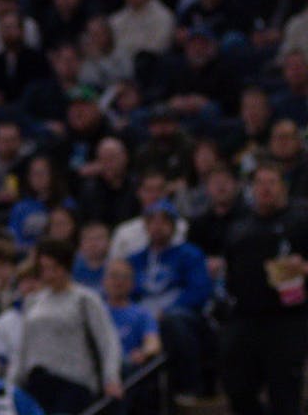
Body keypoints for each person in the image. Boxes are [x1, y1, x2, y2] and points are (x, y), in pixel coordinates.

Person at [221, 163, 308, 415]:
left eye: (271, 182)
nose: (265, 188)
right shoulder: (239, 228)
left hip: (287, 318)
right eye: (259, 183)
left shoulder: (300, 220)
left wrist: (303, 268)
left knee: (284, 392)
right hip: (245, 316)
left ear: (283, 187)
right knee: (238, 388)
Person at [11, 239, 121, 414]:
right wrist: (11, 384)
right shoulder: (33, 301)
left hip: (73, 382)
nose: (49, 275)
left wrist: (111, 378)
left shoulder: (85, 299)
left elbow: (107, 340)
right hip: (37, 382)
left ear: (66, 266)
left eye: (54, 268)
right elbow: (23, 347)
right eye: (44, 269)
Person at [126, 201, 211, 399]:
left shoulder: (190, 254)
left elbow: (199, 291)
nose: (157, 226)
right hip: (142, 316)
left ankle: (189, 386)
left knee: (174, 321)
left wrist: (165, 311)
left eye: (163, 221)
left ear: (173, 226)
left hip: (180, 316)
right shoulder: (134, 260)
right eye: (152, 221)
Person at [101, 260, 162, 376]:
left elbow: (153, 344)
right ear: (104, 280)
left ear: (132, 284)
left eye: (124, 277)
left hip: (127, 366)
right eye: (113, 276)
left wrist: (143, 353)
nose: (118, 282)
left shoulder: (143, 314)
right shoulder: (95, 311)